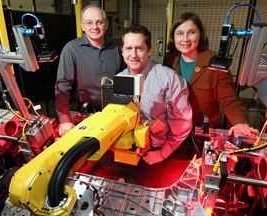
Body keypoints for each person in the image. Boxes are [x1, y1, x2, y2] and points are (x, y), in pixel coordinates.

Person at [163, 12, 259, 137]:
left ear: (200, 34)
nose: (185, 39)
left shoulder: (215, 62)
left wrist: (240, 122)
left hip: (204, 131)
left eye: (191, 32)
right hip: (175, 129)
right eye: (180, 33)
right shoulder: (169, 59)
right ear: (173, 37)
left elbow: (229, 99)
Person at [118, 24, 193, 165]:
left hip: (160, 151)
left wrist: (162, 154)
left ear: (149, 51)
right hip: (127, 150)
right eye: (128, 48)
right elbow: (118, 119)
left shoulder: (167, 78)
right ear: (122, 52)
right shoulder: (119, 79)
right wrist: (145, 123)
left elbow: (182, 123)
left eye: (139, 49)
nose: (133, 55)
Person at [55, 4, 125, 136]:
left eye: (99, 22)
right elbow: (63, 85)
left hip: (117, 112)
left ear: (106, 24)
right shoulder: (72, 49)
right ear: (82, 26)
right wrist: (64, 119)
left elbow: (127, 78)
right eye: (89, 23)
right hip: (87, 114)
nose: (94, 27)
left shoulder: (117, 47)